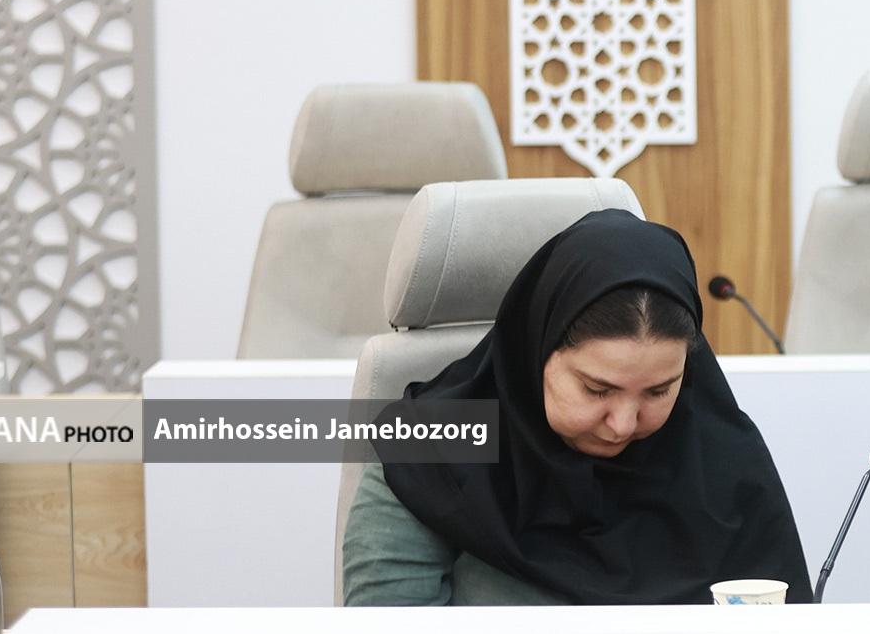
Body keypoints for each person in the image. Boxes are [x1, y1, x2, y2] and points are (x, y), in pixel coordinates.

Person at [342, 209, 811, 605]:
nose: (623, 424)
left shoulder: (726, 467)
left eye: (657, 392)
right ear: (536, 352)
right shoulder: (428, 457)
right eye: (597, 390)